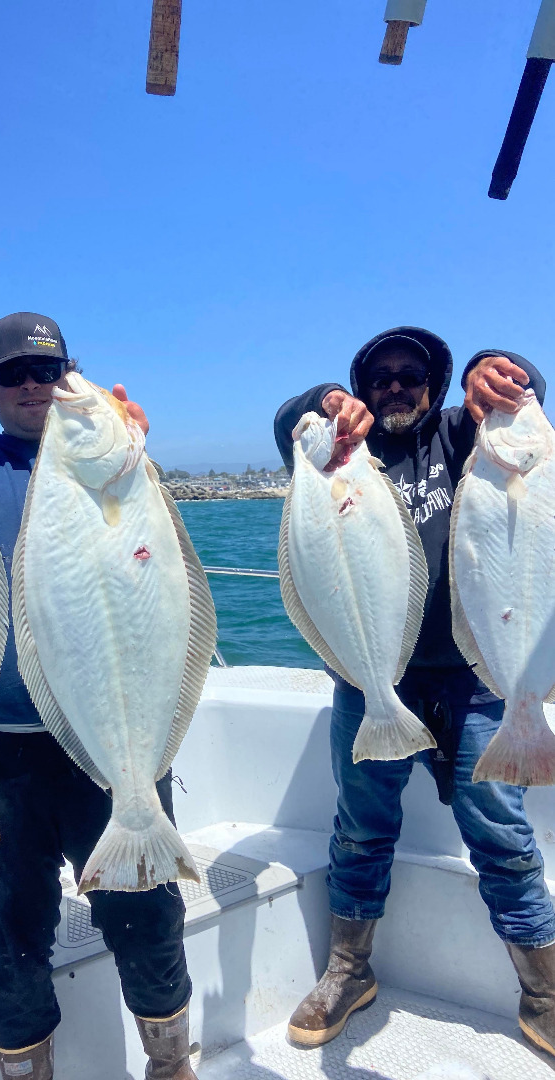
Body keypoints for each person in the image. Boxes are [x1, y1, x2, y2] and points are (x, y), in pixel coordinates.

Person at [274, 326, 555, 1060]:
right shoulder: (340, 452)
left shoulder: (465, 436)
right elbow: (288, 422)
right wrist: (321, 403)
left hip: (474, 676)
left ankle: (544, 991)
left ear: (437, 384)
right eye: (380, 377)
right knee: (361, 827)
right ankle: (349, 969)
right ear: (362, 388)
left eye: (412, 376)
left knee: (500, 831)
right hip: (371, 679)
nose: (396, 387)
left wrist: (503, 371)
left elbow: (526, 397)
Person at [0, 312, 198, 1080]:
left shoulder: (123, 463)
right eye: (13, 373)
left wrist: (135, 456)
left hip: (115, 742)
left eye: (48, 372)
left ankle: (169, 1064)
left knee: (147, 916)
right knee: (9, 938)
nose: (34, 386)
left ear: (69, 376)